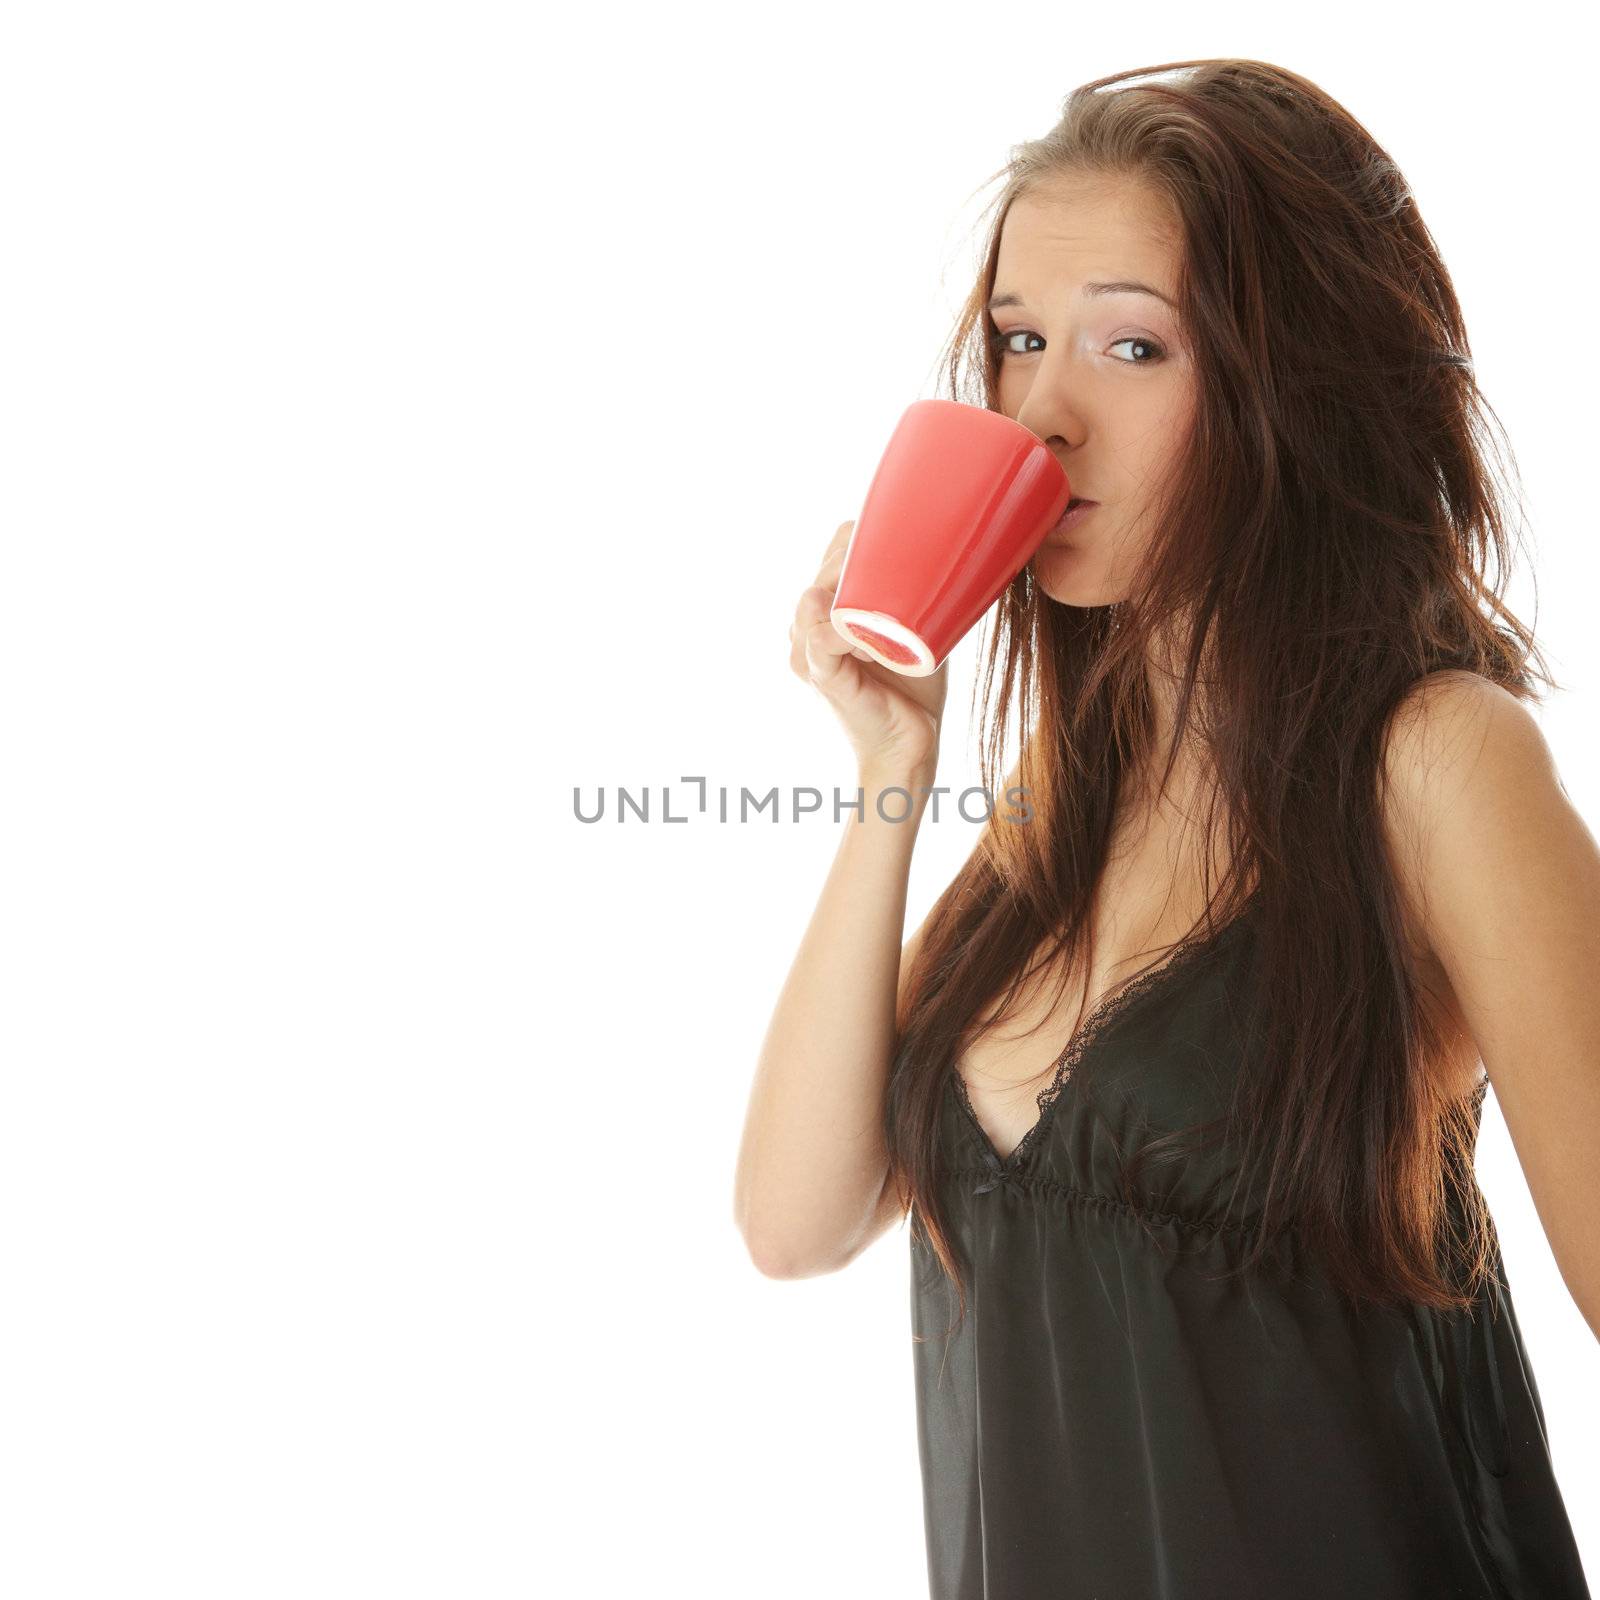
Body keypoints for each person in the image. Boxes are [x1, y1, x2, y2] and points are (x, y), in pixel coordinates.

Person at [733, 58, 1596, 1598]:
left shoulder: (1437, 762)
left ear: (1294, 388)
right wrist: (889, 776)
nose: (1044, 414)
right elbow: (794, 1224)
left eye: (1133, 344)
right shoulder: (1064, 813)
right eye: (1016, 342)